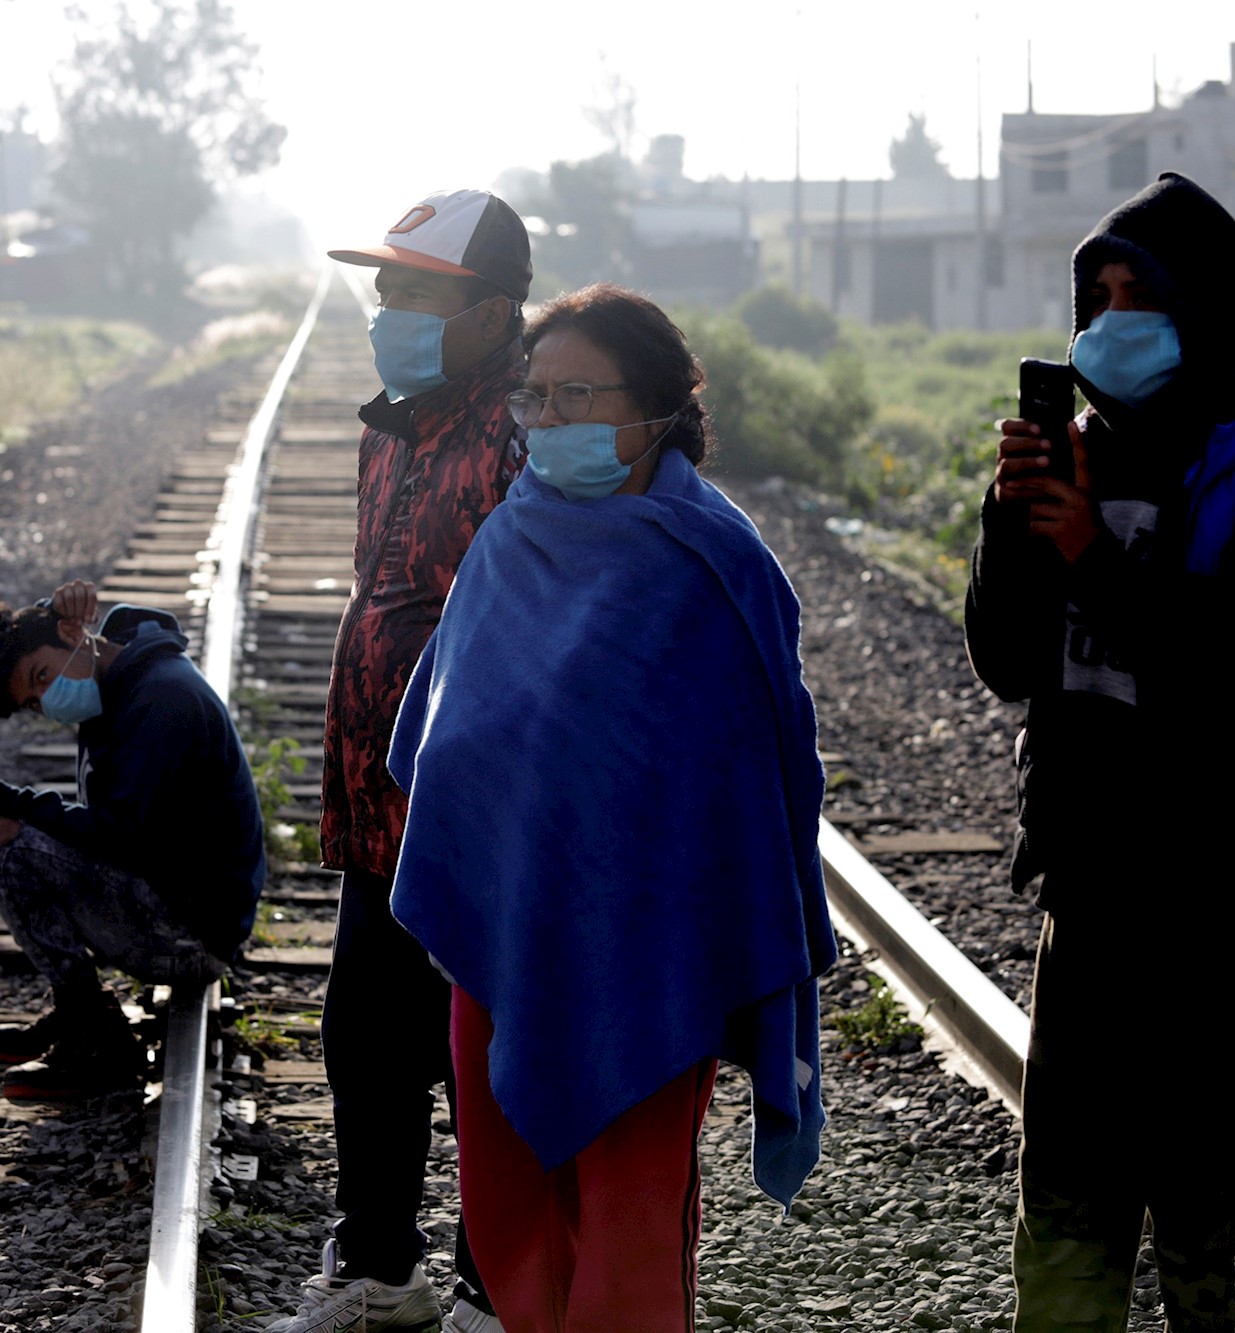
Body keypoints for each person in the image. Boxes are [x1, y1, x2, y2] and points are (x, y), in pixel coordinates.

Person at [386, 283, 837, 1333]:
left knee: (629, 1245)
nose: (545, 424)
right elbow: (442, 744)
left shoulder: (712, 567)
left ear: (655, 409)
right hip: (498, 945)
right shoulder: (507, 544)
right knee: (506, 1224)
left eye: (574, 395)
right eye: (532, 399)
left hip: (648, 971)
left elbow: (760, 786)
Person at [964, 173, 1235, 1331]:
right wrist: (1012, 524)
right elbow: (1004, 662)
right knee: (1065, 1218)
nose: (1110, 317)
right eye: (1097, 291)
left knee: (1202, 1237)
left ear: (1206, 313)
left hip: (1217, 917)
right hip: (1088, 895)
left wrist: (1091, 556)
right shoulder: (1073, 450)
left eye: (1142, 294)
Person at [268, 189, 529, 1333]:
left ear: (490, 315)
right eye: (384, 288)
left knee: (483, 1053)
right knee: (364, 1037)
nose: (387, 309)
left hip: (480, 818)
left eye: (415, 292)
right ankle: (379, 1268)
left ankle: (495, 1287)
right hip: (378, 813)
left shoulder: (524, 437)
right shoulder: (394, 431)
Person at [0, 579, 265, 1102]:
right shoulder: (114, 674)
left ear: (74, 634)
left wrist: (8, 798)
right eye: (34, 701)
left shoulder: (161, 699)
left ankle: (97, 1043)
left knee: (0, 839)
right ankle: (79, 1011)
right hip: (162, 897)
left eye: (41, 677)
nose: (47, 699)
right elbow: (63, 635)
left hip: (193, 937)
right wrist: (49, 610)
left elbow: (121, 837)